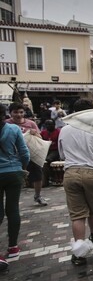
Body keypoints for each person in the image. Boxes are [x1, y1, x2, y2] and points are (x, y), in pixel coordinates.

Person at [58, 99, 93, 266]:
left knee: (77, 214)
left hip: (71, 173)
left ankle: (79, 254)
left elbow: (62, 155)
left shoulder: (64, 130)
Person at [0, 104, 30, 271]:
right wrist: (23, 168)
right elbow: (24, 152)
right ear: (6, 114)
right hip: (13, 171)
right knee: (13, 210)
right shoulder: (13, 129)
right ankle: (13, 247)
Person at [7, 102, 48, 206]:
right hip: (13, 156)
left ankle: (38, 195)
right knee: (15, 178)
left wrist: (35, 133)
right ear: (10, 113)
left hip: (31, 154)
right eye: (15, 112)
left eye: (21, 112)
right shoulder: (6, 124)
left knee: (38, 175)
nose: (19, 115)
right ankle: (12, 200)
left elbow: (40, 138)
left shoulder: (30, 123)